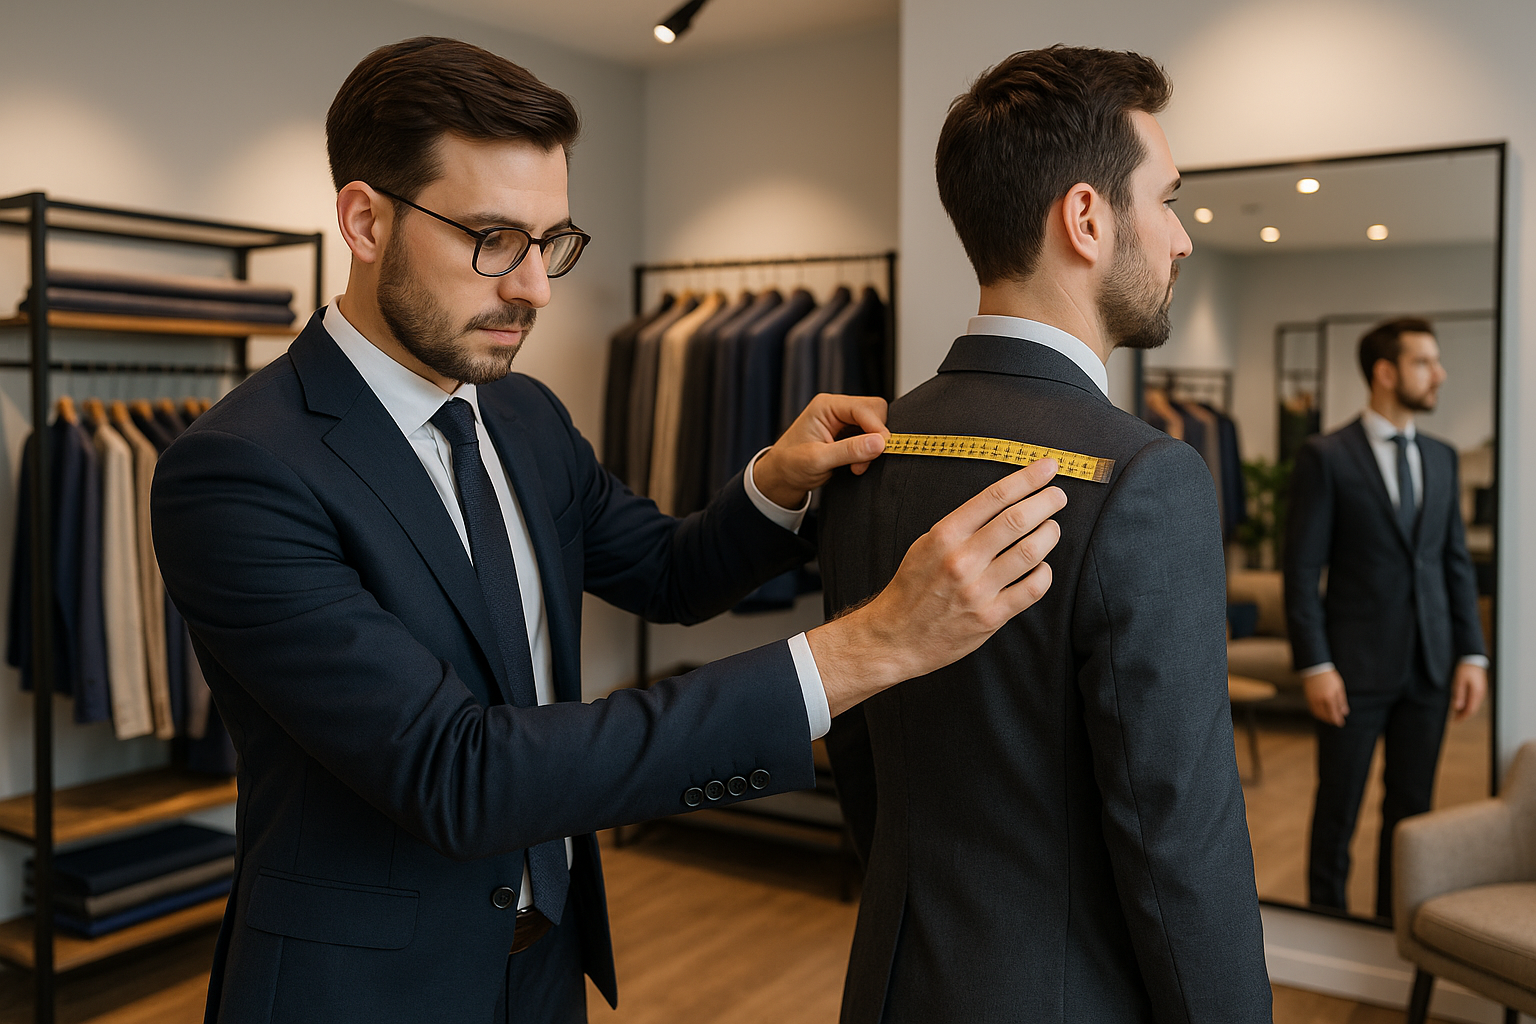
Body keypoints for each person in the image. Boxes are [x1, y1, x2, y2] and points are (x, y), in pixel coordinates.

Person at [149, 37, 1068, 1024]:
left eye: (551, 243)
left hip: (546, 969)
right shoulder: (240, 469)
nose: (535, 288)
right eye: (493, 239)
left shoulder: (523, 415)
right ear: (364, 220)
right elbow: (460, 772)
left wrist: (775, 482)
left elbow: (665, 572)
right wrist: (864, 650)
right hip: (360, 992)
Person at [819, 46, 1271, 1024]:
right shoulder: (1147, 479)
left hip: (893, 983)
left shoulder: (868, 451)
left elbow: (862, 761)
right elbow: (1179, 841)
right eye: (1170, 200)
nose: (1184, 239)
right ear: (1086, 217)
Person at [1285, 317, 1487, 922]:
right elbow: (1301, 572)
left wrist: (1472, 654)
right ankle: (1329, 924)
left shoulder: (1443, 459)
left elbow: (1455, 566)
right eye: (1426, 362)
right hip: (1352, 670)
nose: (1440, 374)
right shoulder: (1326, 456)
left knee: (1411, 809)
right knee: (1339, 807)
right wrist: (1316, 665)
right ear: (1386, 372)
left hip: (1430, 665)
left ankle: (1390, 928)